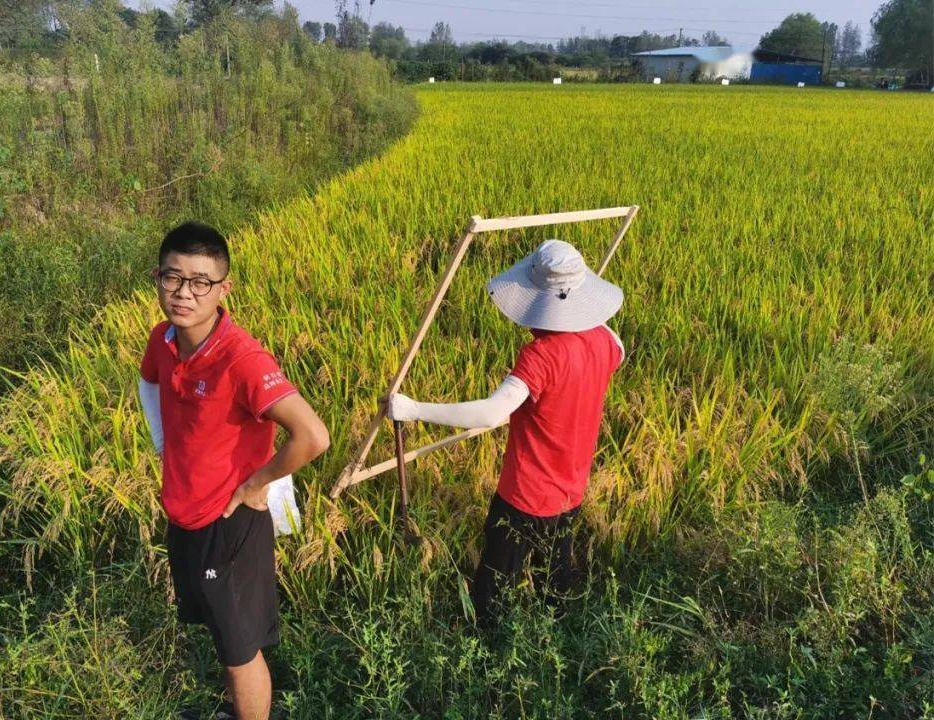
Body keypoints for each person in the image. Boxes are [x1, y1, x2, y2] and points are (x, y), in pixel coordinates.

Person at [137, 222, 329, 720]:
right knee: (225, 636)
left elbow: (312, 436)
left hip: (230, 522)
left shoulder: (242, 358)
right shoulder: (164, 338)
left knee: (241, 650)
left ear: (223, 289)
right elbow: (149, 382)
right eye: (172, 277)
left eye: (200, 281)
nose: (184, 293)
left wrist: (255, 484)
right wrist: (165, 446)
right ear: (157, 278)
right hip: (184, 513)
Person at [387, 239, 625, 627]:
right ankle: (556, 640)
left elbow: (494, 412)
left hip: (524, 498)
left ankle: (487, 650)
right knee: (556, 575)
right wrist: (585, 312)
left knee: (495, 584)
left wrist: (414, 409)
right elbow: (618, 343)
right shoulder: (604, 342)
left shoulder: (542, 355)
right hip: (571, 490)